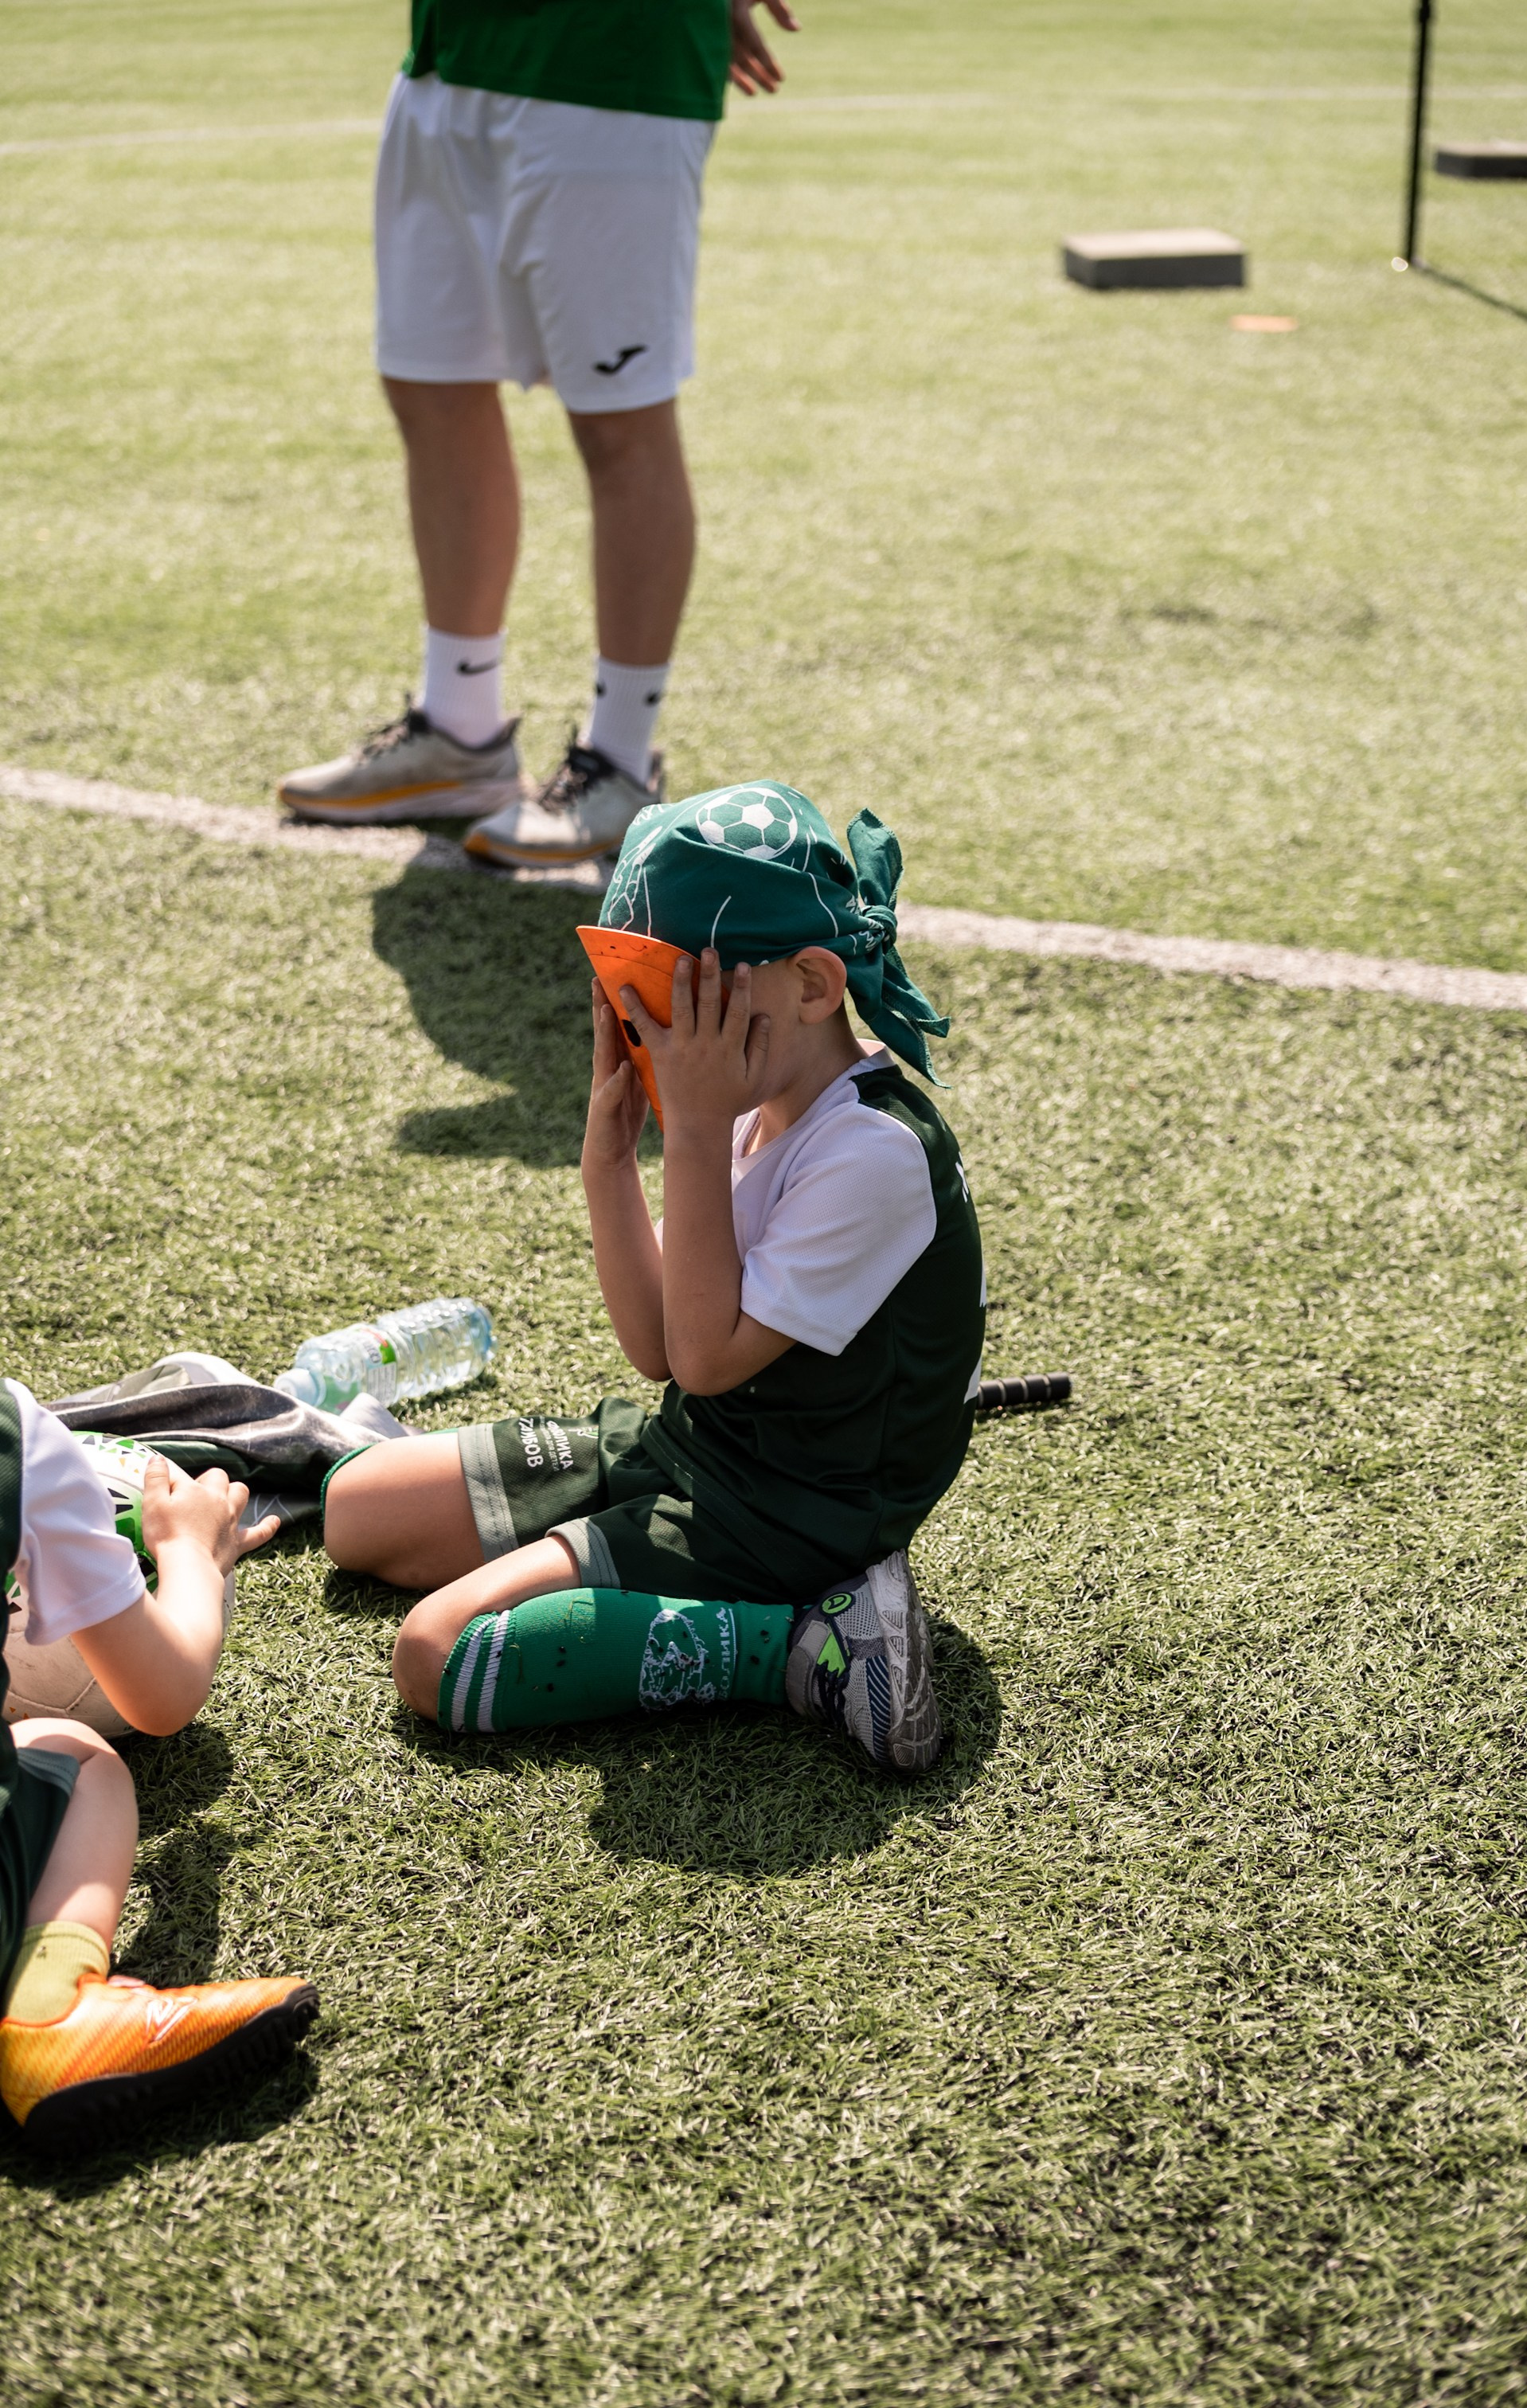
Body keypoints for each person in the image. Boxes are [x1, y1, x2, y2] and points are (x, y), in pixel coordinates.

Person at [322, 784, 986, 1773]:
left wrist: (697, 1123)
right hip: (699, 1443)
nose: (656, 1038)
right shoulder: (754, 1098)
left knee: (435, 1653)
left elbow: (705, 1358)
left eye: (678, 1001)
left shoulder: (873, 1150)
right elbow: (656, 1350)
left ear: (810, 986)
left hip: (795, 1511)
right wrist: (607, 1161)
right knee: (355, 1508)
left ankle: (815, 1644)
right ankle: (695, 1594)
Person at [278, 0, 799, 869]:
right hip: (452, 55)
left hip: (614, 59)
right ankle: (460, 732)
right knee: (430, 384)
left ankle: (622, 765)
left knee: (620, 421)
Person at [0, 1382, 318, 2154]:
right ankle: (53, 2014)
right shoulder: (20, 1439)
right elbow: (163, 1698)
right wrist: (189, 1556)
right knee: (78, 1759)